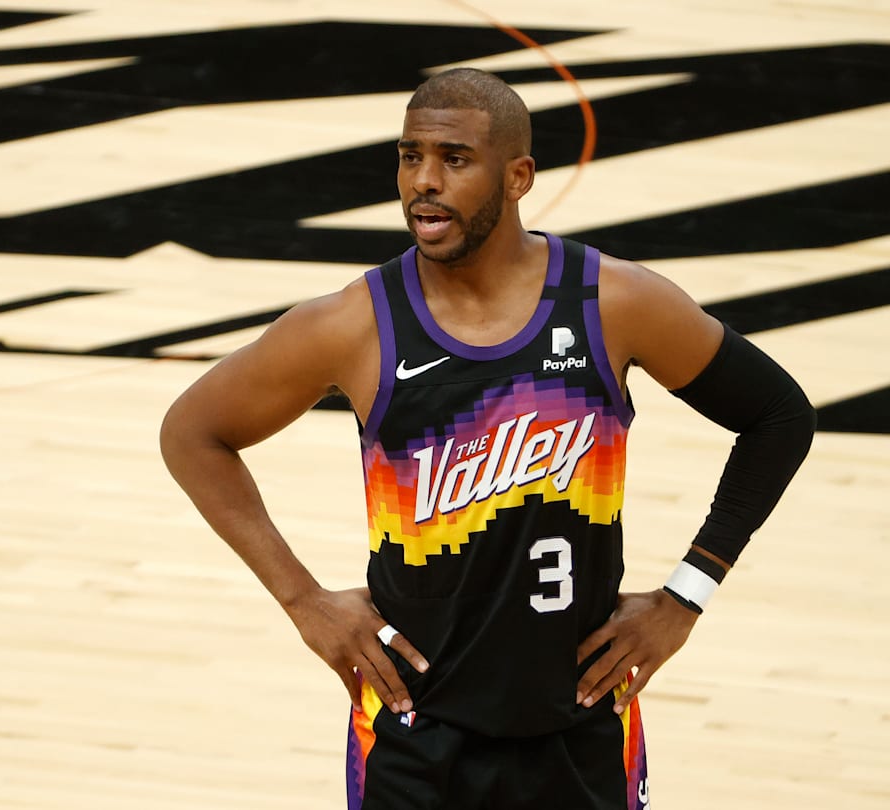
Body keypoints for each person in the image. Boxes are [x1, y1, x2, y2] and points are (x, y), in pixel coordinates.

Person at [160, 69, 814, 809]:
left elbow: (780, 416)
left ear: (518, 176)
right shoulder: (354, 324)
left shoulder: (613, 302)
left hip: (583, 727)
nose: (424, 183)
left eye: (454, 159)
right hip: (413, 735)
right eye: (410, 157)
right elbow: (194, 433)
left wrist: (685, 596)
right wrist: (303, 601)